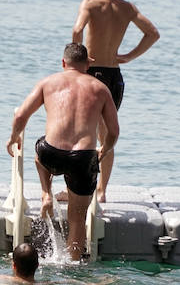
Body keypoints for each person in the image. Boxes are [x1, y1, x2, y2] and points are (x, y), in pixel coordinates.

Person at [6, 43, 119, 261]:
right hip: (83, 157)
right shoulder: (100, 88)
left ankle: (46, 193)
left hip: (52, 154)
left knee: (40, 154)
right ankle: (73, 266)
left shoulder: (48, 82)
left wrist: (12, 138)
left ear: (63, 62)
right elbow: (114, 131)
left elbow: (20, 116)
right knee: (77, 218)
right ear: (87, 65)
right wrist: (103, 150)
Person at [68, 0, 159, 203]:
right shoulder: (127, 8)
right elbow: (153, 34)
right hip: (114, 76)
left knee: (82, 131)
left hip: (92, 73)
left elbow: (77, 30)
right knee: (106, 135)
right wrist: (128, 56)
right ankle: (102, 192)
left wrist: (82, 57)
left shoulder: (89, 4)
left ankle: (78, 188)